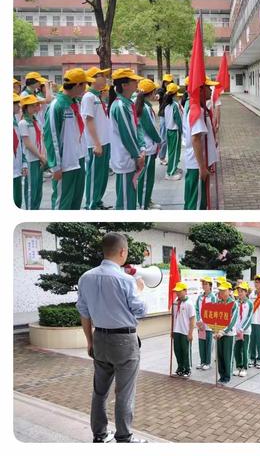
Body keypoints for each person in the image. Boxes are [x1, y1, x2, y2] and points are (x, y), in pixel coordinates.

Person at [76, 232, 147, 443]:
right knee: (124, 391)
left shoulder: (86, 277)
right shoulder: (126, 280)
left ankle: (99, 435)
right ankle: (124, 437)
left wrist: (90, 341)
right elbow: (140, 310)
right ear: (122, 252)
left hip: (99, 338)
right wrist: (140, 290)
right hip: (124, 341)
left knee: (100, 391)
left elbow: (84, 312)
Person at [43, 68, 92, 209]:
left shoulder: (75, 102)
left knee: (76, 202)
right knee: (62, 203)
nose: (85, 88)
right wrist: (55, 166)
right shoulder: (56, 106)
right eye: (84, 85)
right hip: (65, 164)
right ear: (78, 85)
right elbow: (51, 137)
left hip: (79, 159)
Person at [108, 68, 145, 210]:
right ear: (124, 85)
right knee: (124, 203)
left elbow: (137, 128)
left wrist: (142, 149)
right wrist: (137, 155)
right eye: (133, 81)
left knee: (130, 199)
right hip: (126, 158)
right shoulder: (120, 106)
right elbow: (127, 134)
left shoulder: (128, 104)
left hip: (131, 157)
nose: (137, 83)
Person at [182, 78, 219, 210]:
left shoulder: (200, 109)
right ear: (201, 90)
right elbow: (196, 138)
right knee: (196, 205)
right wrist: (202, 167)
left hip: (199, 163)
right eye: (208, 87)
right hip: (197, 165)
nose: (211, 90)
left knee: (198, 201)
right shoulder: (197, 111)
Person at [81, 67, 112, 210]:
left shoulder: (97, 97)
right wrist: (97, 143)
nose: (105, 78)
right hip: (96, 144)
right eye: (102, 76)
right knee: (94, 175)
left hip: (104, 142)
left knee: (102, 175)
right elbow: (89, 120)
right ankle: (91, 205)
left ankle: (98, 200)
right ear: (93, 79)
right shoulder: (88, 97)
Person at [134, 78, 162, 209]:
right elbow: (149, 128)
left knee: (147, 178)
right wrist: (159, 140)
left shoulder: (143, 105)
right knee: (145, 179)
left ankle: (146, 201)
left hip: (148, 146)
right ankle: (144, 205)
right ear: (151, 93)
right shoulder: (144, 108)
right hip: (148, 147)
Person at [18, 95, 47, 210]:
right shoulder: (23, 123)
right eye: (33, 105)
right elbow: (27, 143)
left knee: (38, 188)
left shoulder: (37, 121)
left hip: (39, 158)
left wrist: (43, 155)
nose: (36, 107)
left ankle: (36, 208)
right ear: (26, 107)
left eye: (36, 104)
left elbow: (41, 138)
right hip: (30, 159)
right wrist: (40, 156)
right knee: (31, 188)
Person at [214, 282, 239, 384]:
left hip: (228, 334)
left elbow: (232, 321)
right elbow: (216, 318)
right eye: (220, 291)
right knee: (219, 356)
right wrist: (215, 330)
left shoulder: (234, 304)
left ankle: (227, 377)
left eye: (224, 290)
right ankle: (221, 375)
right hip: (219, 333)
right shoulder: (219, 303)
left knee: (227, 356)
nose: (222, 293)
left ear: (229, 291)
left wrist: (223, 331)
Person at [171, 281, 195, 378]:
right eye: (176, 291)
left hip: (185, 331)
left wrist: (190, 333)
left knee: (185, 351)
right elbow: (173, 317)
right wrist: (172, 330)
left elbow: (192, 319)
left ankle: (187, 369)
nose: (177, 293)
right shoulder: (175, 303)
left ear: (185, 291)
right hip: (176, 330)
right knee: (177, 350)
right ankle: (180, 368)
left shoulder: (189, 304)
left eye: (179, 291)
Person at [162, 82, 183, 181]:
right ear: (175, 93)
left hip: (169, 131)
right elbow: (178, 119)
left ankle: (173, 168)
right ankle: (170, 173)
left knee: (171, 151)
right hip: (175, 131)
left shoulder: (166, 105)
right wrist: (181, 129)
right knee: (174, 152)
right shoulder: (175, 105)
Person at [195, 276, 216, 370]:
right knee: (201, 343)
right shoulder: (200, 297)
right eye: (203, 284)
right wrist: (199, 320)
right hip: (201, 325)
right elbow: (197, 309)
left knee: (208, 344)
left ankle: (207, 362)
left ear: (210, 286)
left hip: (209, 326)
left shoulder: (213, 297)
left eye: (206, 284)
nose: (204, 286)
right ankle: (202, 361)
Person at [233, 282, 253, 377]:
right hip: (236, 331)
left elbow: (249, 318)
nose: (240, 293)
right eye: (239, 291)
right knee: (237, 349)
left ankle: (244, 368)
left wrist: (242, 329)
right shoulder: (235, 303)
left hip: (245, 331)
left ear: (246, 292)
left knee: (245, 349)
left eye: (242, 291)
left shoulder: (249, 303)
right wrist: (236, 329)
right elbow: (233, 317)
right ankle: (238, 366)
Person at [13, 93, 27, 208]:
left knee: (17, 200)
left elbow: (19, 145)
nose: (19, 106)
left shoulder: (15, 121)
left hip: (16, 169)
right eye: (16, 103)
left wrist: (23, 163)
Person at [157, 74, 173, 164]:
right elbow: (159, 94)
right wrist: (158, 96)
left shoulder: (172, 90)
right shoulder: (161, 90)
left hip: (171, 116)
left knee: (171, 136)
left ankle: (172, 156)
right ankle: (162, 157)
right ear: (163, 82)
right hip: (163, 115)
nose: (167, 84)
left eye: (169, 82)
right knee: (163, 137)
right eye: (166, 82)